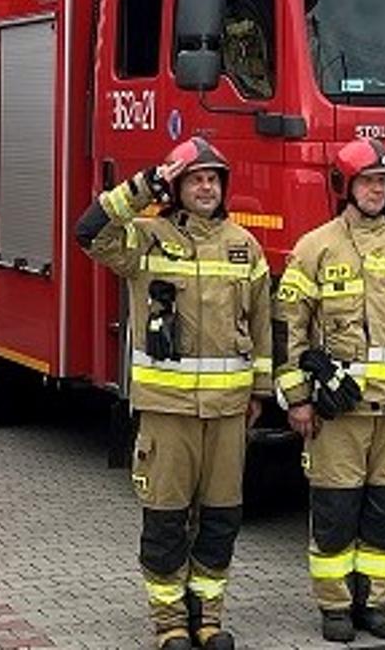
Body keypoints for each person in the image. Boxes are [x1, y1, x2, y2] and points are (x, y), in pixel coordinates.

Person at [73, 136, 271, 650]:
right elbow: (90, 231)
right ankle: (169, 625)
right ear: (177, 187)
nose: (206, 187)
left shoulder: (243, 245)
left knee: (221, 520)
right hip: (167, 413)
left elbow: (265, 327)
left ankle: (208, 618)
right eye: (195, 178)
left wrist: (262, 393)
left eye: (213, 179)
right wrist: (144, 185)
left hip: (228, 414)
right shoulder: (146, 239)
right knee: (165, 522)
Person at [273, 138, 385, 642]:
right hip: (338, 412)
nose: (377, 190)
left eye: (383, 182)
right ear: (345, 186)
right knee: (335, 510)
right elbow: (290, 331)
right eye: (368, 181)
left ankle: (375, 604)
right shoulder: (315, 248)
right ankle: (334, 607)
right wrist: (299, 398)